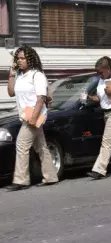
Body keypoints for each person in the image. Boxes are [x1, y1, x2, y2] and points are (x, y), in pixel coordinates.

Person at [5, 45, 58, 191]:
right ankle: (51, 176)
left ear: (31, 58)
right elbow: (10, 92)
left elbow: (41, 98)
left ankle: (21, 180)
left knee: (21, 145)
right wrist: (11, 74)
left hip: (34, 114)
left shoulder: (37, 75)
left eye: (23, 58)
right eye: (18, 58)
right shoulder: (20, 75)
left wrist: (34, 118)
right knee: (41, 147)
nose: (20, 61)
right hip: (25, 115)